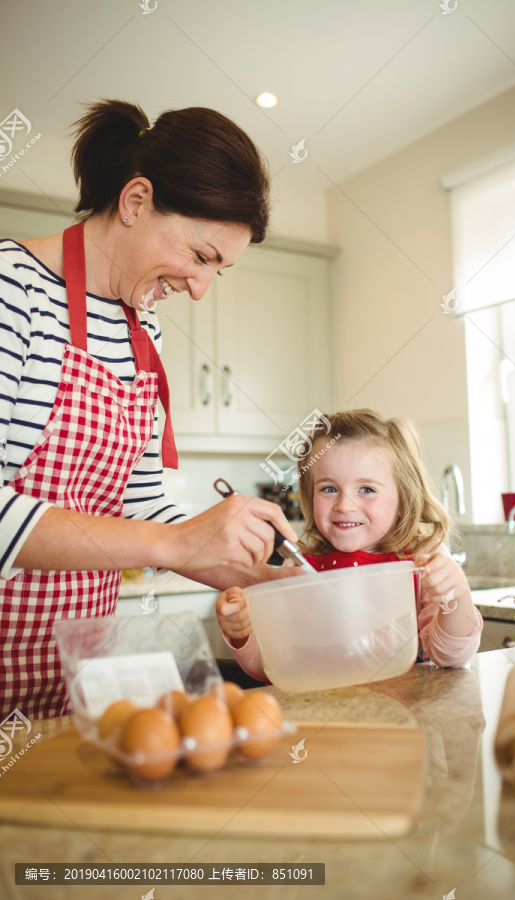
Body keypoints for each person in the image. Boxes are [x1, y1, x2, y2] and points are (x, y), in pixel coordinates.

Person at [0, 99, 300, 719]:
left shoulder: (144, 333)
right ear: (135, 202)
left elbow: (138, 507)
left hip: (68, 685)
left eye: (220, 269)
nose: (200, 287)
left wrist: (261, 583)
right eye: (200, 255)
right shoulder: (12, 291)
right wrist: (172, 545)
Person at [216, 409, 483, 680]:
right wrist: (242, 633)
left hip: (403, 713)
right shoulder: (297, 566)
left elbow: (451, 657)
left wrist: (456, 594)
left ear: (403, 500)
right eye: (329, 489)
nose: (344, 505)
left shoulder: (422, 560)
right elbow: (270, 668)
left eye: (366, 489)